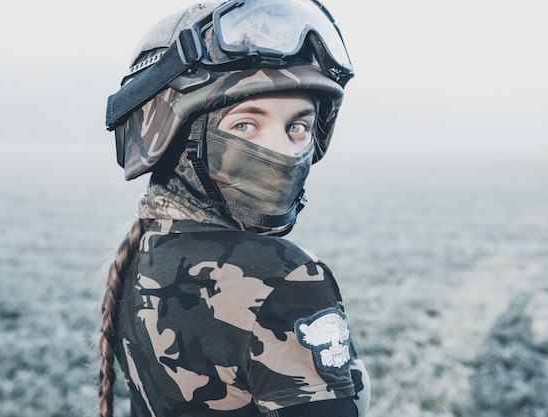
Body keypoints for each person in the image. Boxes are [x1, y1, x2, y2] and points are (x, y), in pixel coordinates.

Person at [99, 1, 370, 416]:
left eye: (297, 126)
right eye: (246, 124)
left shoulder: (138, 248)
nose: (283, 150)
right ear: (176, 138)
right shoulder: (286, 275)